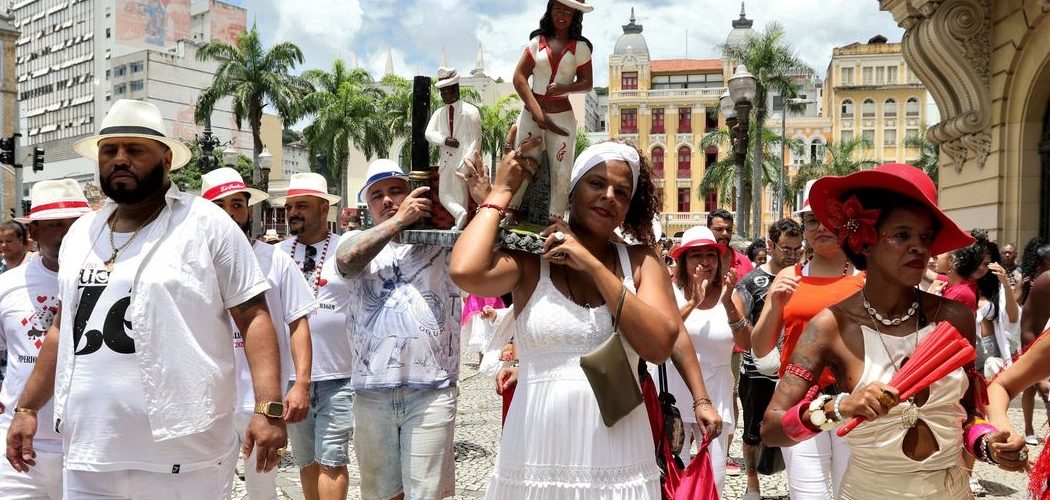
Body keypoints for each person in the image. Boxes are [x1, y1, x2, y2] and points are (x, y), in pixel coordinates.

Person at [5, 99, 286, 499]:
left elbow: (253, 316)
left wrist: (268, 408)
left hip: (185, 456)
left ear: (166, 158)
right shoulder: (82, 234)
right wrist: (28, 407)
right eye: (109, 151)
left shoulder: (206, 223)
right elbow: (61, 329)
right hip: (91, 454)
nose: (120, 160)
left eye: (134, 150)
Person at [450, 139, 719, 498]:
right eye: (596, 183)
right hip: (538, 446)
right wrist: (500, 191)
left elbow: (658, 345)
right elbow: (465, 270)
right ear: (571, 189)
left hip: (618, 446)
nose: (609, 195)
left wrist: (591, 265)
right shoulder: (533, 259)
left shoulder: (641, 262)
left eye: (622, 192)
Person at [761, 163, 1026, 499]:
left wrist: (989, 444)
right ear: (866, 241)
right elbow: (772, 428)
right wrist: (838, 408)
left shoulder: (954, 318)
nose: (919, 247)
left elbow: (967, 415)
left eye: (926, 237)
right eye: (902, 235)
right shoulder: (831, 326)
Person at [335, 158, 462, 499]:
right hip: (371, 393)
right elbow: (347, 263)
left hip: (431, 389)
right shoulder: (353, 241)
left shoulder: (439, 240)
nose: (388, 200)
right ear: (367, 203)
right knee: (381, 494)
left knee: (426, 493)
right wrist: (398, 223)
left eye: (396, 191)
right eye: (377, 195)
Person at [202, 168, 317, 499]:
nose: (229, 214)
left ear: (249, 209)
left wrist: (301, 384)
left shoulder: (276, 260)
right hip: (211, 403)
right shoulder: (192, 265)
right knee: (209, 488)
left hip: (262, 404)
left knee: (262, 487)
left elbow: (298, 323)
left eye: (237, 204)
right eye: (218, 206)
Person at [750, 179, 864, 499]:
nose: (820, 226)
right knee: (807, 494)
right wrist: (775, 305)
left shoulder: (865, 279)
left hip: (853, 402)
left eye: (828, 217)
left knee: (851, 492)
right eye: (811, 219)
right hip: (799, 399)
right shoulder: (789, 277)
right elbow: (760, 348)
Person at [0, 180, 92, 499]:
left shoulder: (113, 281)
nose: (67, 232)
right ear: (35, 234)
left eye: (75, 224)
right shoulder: (7, 285)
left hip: (88, 446)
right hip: (19, 441)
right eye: (55, 225)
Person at [272, 172, 353, 500]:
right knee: (305, 461)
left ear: (325, 209)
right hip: (290, 380)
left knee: (332, 460)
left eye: (302, 206)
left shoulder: (346, 248)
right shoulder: (276, 254)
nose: (293, 213)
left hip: (339, 376)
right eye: (291, 206)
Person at [666, 225, 747, 493]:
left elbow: (747, 343)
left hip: (716, 397)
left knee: (714, 477)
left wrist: (727, 305)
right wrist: (692, 302)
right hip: (672, 398)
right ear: (683, 260)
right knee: (671, 475)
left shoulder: (730, 294)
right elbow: (661, 334)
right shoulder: (668, 291)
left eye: (710, 255)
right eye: (695, 255)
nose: (704, 262)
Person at [736, 218, 804, 500]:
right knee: (753, 432)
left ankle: (796, 482)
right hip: (757, 371)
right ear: (771, 245)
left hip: (795, 371)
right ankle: (752, 484)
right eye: (786, 248)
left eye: (797, 249)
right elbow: (737, 318)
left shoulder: (805, 277)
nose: (791, 254)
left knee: (795, 428)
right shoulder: (752, 281)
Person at [508, 0, 593, 223]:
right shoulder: (537, 43)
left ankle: (556, 219)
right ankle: (511, 209)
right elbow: (519, 78)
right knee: (523, 159)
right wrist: (537, 112)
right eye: (557, 10)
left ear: (575, 15)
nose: (561, 15)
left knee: (562, 169)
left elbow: (587, 83)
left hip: (562, 116)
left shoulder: (580, 48)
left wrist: (566, 87)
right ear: (550, 11)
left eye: (567, 11)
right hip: (530, 114)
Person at [425, 67, 482, 230]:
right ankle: (459, 213)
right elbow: (428, 133)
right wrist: (444, 140)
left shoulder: (471, 112)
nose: (443, 95)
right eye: (441, 92)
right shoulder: (439, 113)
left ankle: (461, 221)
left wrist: (468, 162)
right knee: (443, 195)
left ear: (455, 89)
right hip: (446, 161)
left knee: (461, 194)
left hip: (462, 161)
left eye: (446, 91)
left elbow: (475, 140)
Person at [708, 208, 755, 278]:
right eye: (719, 229)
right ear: (708, 229)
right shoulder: (699, 261)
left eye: (728, 230)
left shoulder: (744, 262)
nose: (725, 233)